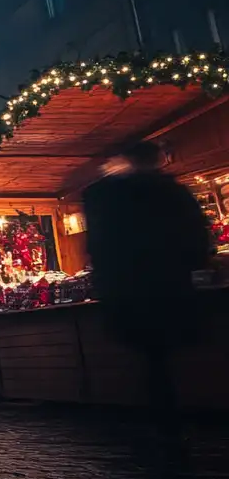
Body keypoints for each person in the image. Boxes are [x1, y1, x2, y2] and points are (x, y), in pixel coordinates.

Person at [83, 141, 211, 421]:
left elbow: (99, 243)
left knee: (149, 355)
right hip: (170, 284)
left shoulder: (107, 195)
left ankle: (161, 416)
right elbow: (198, 238)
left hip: (129, 288)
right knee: (167, 352)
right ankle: (175, 412)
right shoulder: (172, 192)